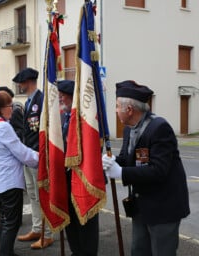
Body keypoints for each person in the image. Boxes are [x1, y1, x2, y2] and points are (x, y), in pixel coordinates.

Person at [102, 80, 190, 256]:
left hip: (164, 208)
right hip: (142, 205)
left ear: (129, 110)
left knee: (162, 252)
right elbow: (128, 158)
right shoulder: (129, 129)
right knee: (139, 251)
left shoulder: (159, 128)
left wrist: (121, 173)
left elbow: (159, 170)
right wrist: (111, 162)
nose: (115, 110)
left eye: (117, 106)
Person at [0, 90, 39, 256]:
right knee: (12, 222)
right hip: (8, 182)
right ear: (0, 108)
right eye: (9, 106)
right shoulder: (2, 127)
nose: (12, 109)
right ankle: (5, 253)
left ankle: (7, 251)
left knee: (5, 219)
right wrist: (42, 158)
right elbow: (21, 152)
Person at [12, 68, 54, 249]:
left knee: (42, 195)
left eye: (21, 83)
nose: (20, 86)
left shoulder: (41, 100)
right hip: (28, 156)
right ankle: (37, 228)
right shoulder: (29, 101)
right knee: (32, 195)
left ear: (27, 82)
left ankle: (48, 233)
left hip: (38, 157)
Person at [58, 80, 100, 256]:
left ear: (71, 98)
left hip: (84, 178)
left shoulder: (85, 119)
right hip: (66, 178)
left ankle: (87, 253)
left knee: (86, 224)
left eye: (62, 97)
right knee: (71, 222)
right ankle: (76, 251)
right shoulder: (63, 117)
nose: (60, 100)